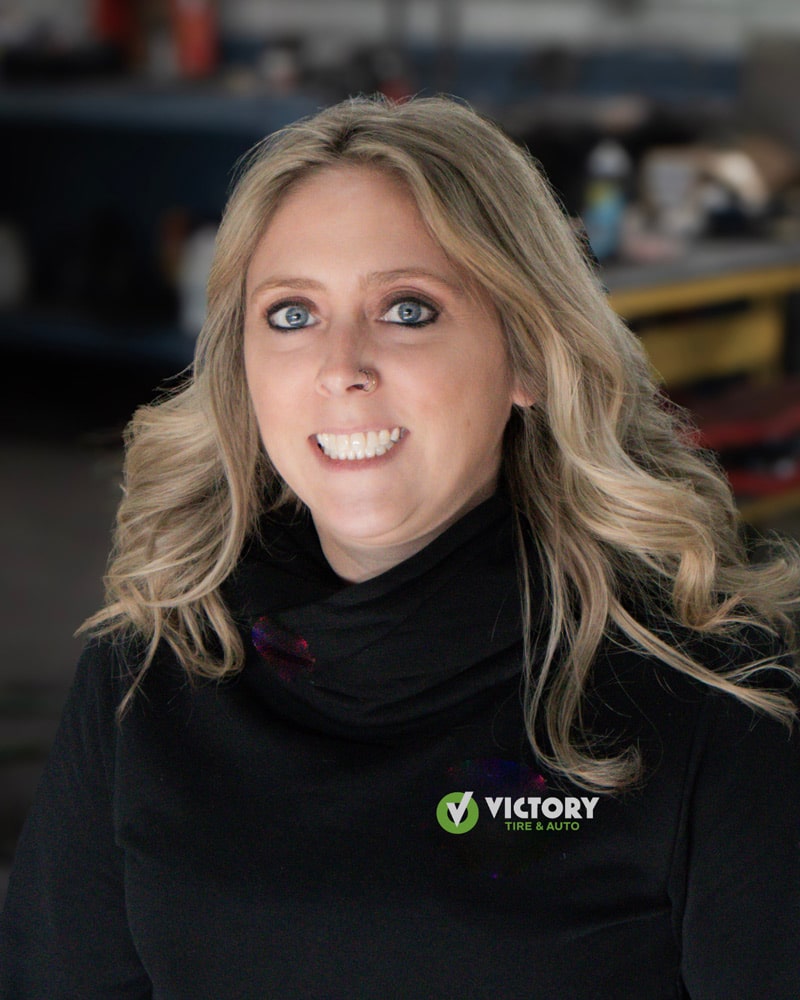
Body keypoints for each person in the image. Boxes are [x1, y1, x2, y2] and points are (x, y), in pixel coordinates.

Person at [1, 95, 799, 999]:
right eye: (292, 315)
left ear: (529, 357)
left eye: (408, 309)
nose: (341, 366)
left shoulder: (712, 696)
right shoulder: (151, 663)